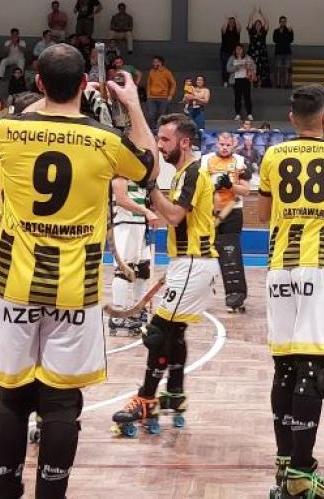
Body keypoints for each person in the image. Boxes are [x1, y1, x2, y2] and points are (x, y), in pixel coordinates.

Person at [0, 44, 156, 498]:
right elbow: (148, 167)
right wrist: (131, 105)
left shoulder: (8, 130)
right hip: (74, 288)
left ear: (38, 83)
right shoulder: (105, 140)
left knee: (12, 398)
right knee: (61, 402)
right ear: (85, 84)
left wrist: (64, 100)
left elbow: (36, 115)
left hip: (15, 282)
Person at [258, 84, 324, 498]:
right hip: (320, 270)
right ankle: (302, 474)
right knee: (313, 370)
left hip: (278, 268)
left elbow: (264, 214)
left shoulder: (273, 155)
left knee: (284, 367)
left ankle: (285, 464)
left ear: (291, 118)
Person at [112, 113, 218, 435]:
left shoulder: (193, 173)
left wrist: (149, 186)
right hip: (189, 263)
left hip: (193, 262)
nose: (159, 145)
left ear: (184, 142)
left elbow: (174, 216)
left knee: (157, 332)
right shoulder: (185, 173)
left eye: (165, 139)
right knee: (174, 332)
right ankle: (174, 393)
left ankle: (145, 398)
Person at [202, 132, 251, 311]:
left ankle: (235, 297)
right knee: (203, 255)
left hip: (232, 212)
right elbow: (199, 187)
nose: (224, 148)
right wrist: (211, 188)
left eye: (228, 145)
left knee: (231, 255)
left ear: (234, 144)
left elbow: (246, 191)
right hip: (209, 213)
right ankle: (197, 296)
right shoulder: (205, 161)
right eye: (221, 144)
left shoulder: (240, 162)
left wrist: (231, 186)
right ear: (217, 143)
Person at [107, 176, 158, 336]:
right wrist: (146, 211)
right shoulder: (121, 173)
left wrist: (150, 206)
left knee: (143, 269)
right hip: (125, 224)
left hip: (140, 225)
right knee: (124, 269)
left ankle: (136, 310)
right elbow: (122, 200)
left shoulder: (142, 174)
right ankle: (118, 316)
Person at [145, 56, 177, 133]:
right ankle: (152, 130)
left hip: (163, 97)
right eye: (153, 62)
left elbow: (173, 83)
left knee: (162, 115)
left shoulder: (166, 72)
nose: (153, 63)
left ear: (160, 63)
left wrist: (170, 95)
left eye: (155, 62)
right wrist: (148, 94)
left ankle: (160, 131)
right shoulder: (151, 71)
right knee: (151, 114)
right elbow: (149, 83)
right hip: (152, 97)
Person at [227, 44, 255, 121]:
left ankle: (249, 114)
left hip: (246, 79)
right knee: (237, 97)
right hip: (236, 80)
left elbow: (253, 67)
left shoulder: (247, 57)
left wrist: (247, 67)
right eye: (237, 49)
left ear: (243, 50)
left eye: (240, 49)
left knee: (247, 97)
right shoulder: (232, 58)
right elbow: (228, 68)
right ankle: (238, 114)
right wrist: (236, 67)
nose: (239, 50)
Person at [247, 7, 271, 88]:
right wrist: (253, 12)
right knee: (251, 70)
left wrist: (261, 13)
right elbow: (250, 20)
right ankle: (251, 86)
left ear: (261, 26)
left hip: (262, 55)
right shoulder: (251, 32)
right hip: (252, 55)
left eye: (259, 24)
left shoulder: (263, 33)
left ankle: (259, 86)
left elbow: (267, 22)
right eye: (256, 24)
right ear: (254, 25)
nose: (258, 25)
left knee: (261, 71)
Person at [273, 16, 294, 89]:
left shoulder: (289, 30)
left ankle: (286, 84)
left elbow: (291, 40)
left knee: (287, 69)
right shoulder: (276, 31)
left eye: (284, 21)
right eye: (281, 21)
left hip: (287, 53)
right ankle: (278, 84)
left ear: (286, 22)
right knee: (278, 69)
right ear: (279, 22)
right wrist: (280, 33)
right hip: (278, 53)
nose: (283, 23)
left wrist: (290, 32)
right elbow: (275, 40)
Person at [220, 16, 241, 87]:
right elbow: (223, 28)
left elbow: (239, 27)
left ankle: (234, 81)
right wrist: (226, 20)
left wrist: (236, 18)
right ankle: (225, 81)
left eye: (233, 22)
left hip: (234, 52)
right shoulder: (225, 30)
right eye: (230, 21)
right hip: (225, 51)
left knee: (235, 67)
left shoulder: (236, 31)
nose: (232, 23)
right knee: (225, 66)